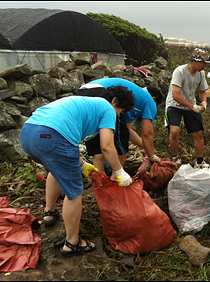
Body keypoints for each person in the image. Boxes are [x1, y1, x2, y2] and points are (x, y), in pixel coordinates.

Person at [20, 89, 135, 256]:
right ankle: (72, 242)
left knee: (56, 169)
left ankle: (49, 212)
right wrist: (119, 171)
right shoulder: (108, 109)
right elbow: (107, 146)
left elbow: (64, 137)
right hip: (51, 136)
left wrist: (81, 163)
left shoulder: (86, 103)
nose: (119, 116)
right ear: (115, 101)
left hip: (28, 134)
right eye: (121, 111)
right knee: (74, 192)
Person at [76, 78, 163, 178]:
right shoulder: (149, 101)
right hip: (100, 91)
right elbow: (147, 133)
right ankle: (116, 178)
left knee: (96, 137)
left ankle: (100, 180)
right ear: (154, 99)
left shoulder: (132, 103)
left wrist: (147, 147)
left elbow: (127, 130)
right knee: (122, 143)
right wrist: (151, 155)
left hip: (83, 91)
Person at [165, 48, 210, 167]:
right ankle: (176, 157)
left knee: (198, 133)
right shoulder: (180, 71)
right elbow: (175, 95)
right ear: (195, 61)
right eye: (203, 63)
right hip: (174, 104)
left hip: (191, 104)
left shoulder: (201, 73)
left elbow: (202, 90)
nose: (204, 66)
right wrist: (193, 107)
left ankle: (200, 161)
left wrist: (203, 102)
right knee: (174, 131)